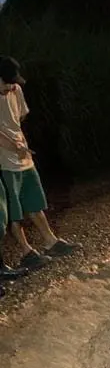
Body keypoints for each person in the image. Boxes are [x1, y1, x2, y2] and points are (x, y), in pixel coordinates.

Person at [0, 56, 76, 271]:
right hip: (4, 161)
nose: (10, 86)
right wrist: (11, 144)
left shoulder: (15, 90)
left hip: (23, 155)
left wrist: (19, 142)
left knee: (34, 200)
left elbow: (21, 116)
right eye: (6, 82)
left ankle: (51, 241)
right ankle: (26, 252)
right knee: (14, 211)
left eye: (13, 81)